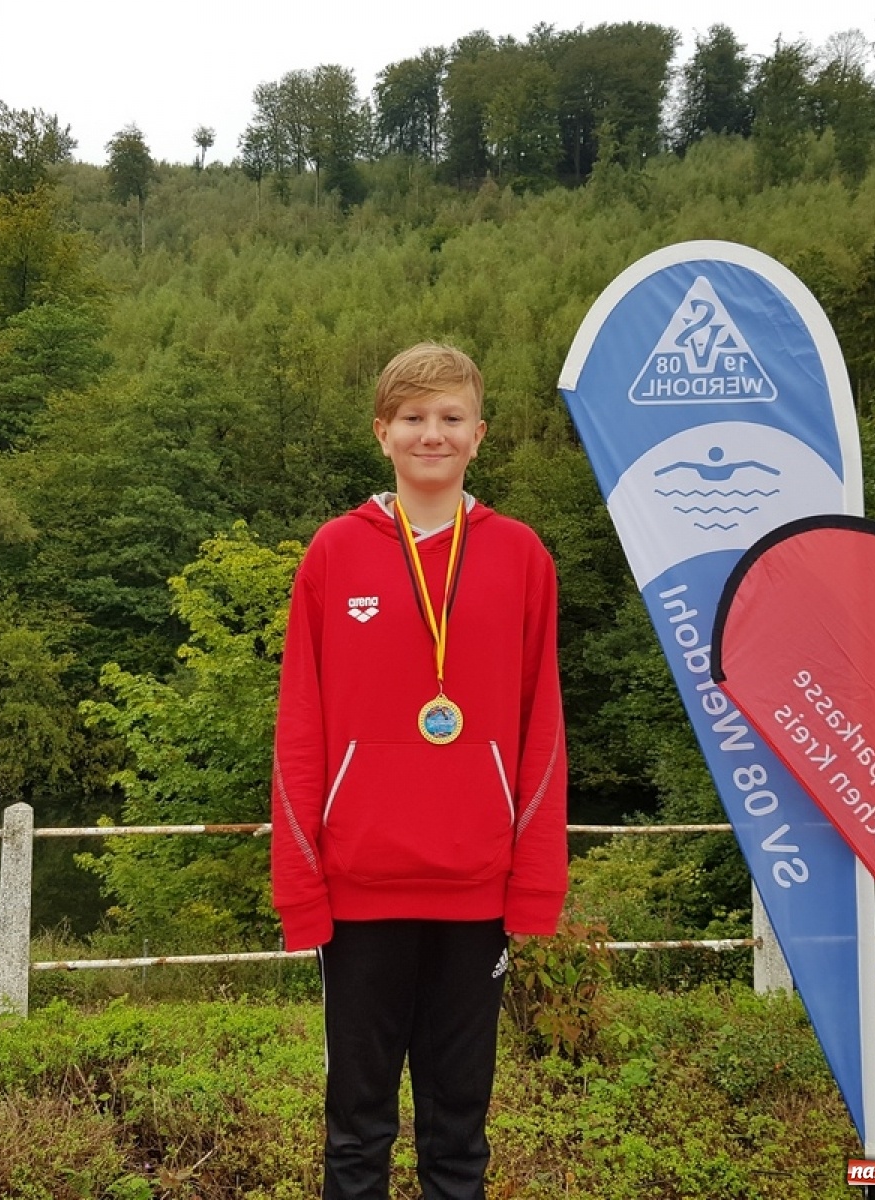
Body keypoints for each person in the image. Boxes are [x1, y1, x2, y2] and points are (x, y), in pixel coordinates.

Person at [270, 342, 569, 1200]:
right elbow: (300, 728)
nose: (431, 434)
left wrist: (534, 881)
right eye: (412, 417)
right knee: (356, 1125)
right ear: (382, 432)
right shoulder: (335, 552)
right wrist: (301, 884)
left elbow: (542, 729)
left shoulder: (521, 555)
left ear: (479, 434)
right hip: (359, 887)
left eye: (450, 417)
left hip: (477, 887)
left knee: (458, 1128)